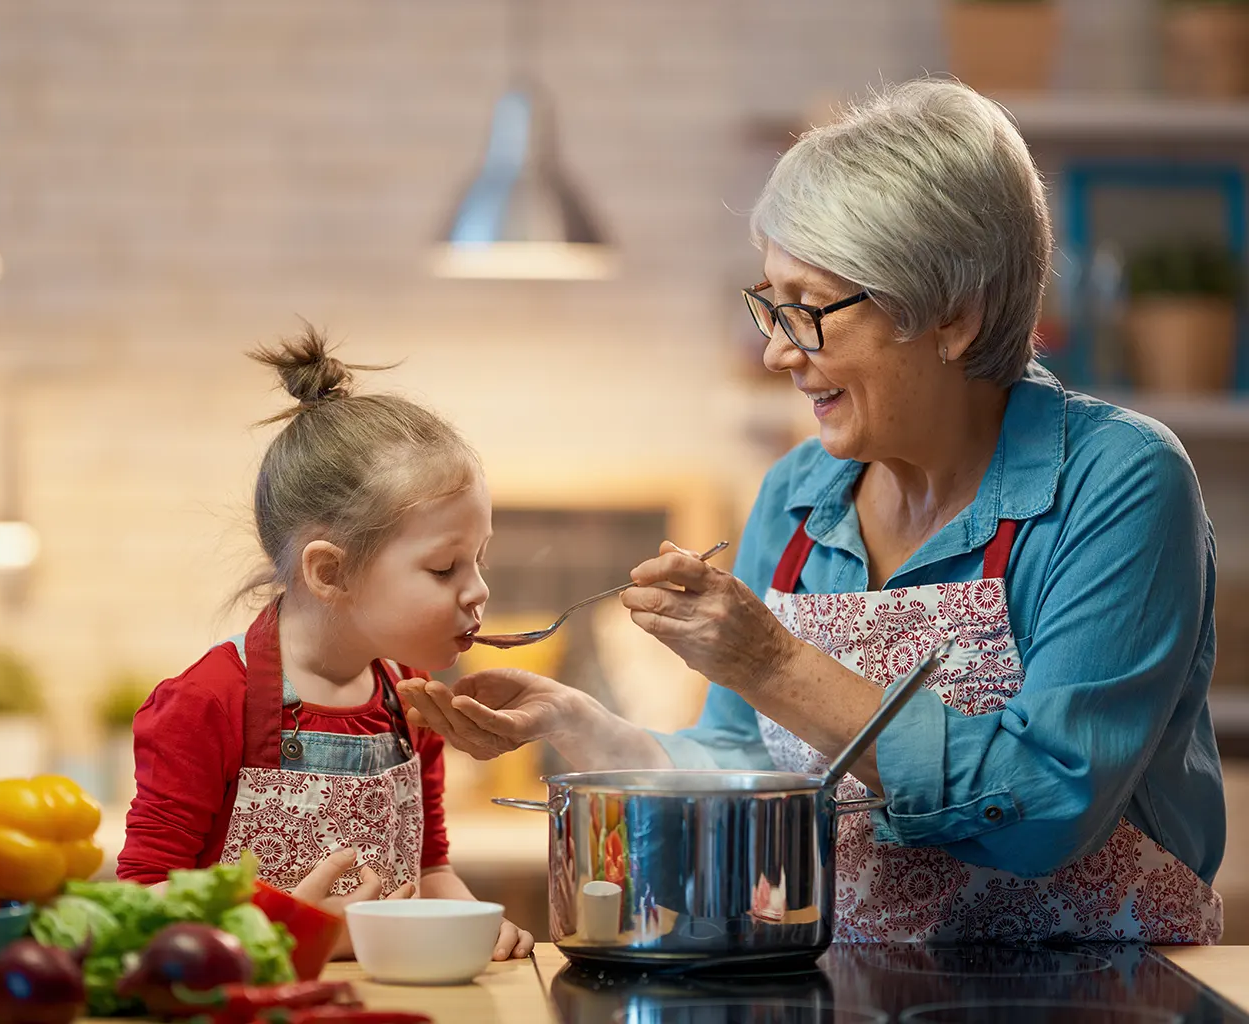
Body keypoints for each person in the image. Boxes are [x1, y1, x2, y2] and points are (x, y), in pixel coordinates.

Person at [400, 79, 1225, 944]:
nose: (775, 349)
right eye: (770, 302)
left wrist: (775, 665)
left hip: (1107, 995)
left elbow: (1048, 807)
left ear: (954, 313)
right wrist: (580, 725)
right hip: (852, 987)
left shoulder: (1118, 482)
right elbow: (743, 768)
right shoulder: (797, 496)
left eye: (809, 309)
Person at [118, 327, 533, 960]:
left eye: (479, 558)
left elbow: (429, 871)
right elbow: (142, 907)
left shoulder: (411, 702)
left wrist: (474, 922)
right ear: (330, 572)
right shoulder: (206, 704)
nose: (478, 591)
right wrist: (289, 928)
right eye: (445, 567)